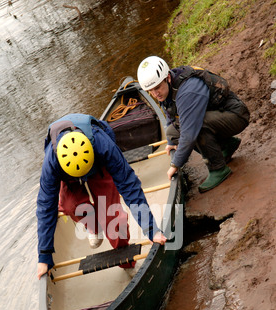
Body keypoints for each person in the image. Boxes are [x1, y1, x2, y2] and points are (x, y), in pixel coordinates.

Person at [37, 113, 166, 279]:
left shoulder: (103, 145)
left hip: (98, 165)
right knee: (70, 206)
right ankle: (93, 226)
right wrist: (44, 256)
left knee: (113, 220)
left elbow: (129, 186)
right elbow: (45, 207)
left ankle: (127, 264)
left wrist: (152, 230)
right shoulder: (51, 163)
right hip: (68, 172)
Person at [137, 56, 250, 192]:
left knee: (196, 126)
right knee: (173, 132)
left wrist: (175, 164)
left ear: (167, 77)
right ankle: (225, 146)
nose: (155, 93)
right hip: (216, 114)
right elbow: (169, 113)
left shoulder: (187, 90)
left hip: (235, 115)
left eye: (157, 88)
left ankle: (218, 169)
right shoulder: (167, 87)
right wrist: (170, 141)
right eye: (150, 91)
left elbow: (189, 135)